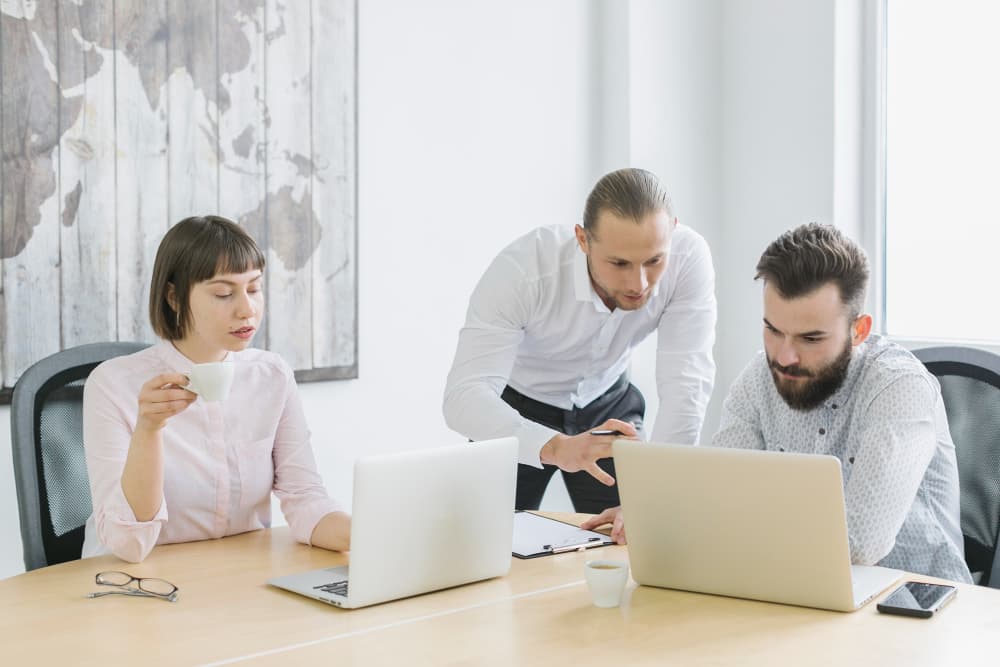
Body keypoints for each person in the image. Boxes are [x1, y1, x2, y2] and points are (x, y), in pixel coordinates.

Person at [585, 223, 972, 583]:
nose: (784, 356)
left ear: (859, 331)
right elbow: (722, 493)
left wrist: (726, 522)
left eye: (811, 338)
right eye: (773, 330)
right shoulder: (759, 378)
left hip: (915, 609)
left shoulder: (899, 388)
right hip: (799, 598)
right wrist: (662, 518)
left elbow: (859, 544)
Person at [443, 168, 717, 513]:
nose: (639, 283)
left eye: (654, 261)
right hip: (517, 408)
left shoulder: (689, 259)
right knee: (484, 548)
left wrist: (657, 496)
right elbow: (463, 398)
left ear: (672, 232)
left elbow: (686, 385)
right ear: (583, 239)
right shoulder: (524, 271)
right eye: (619, 263)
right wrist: (556, 447)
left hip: (610, 406)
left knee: (641, 536)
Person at [82, 215, 350, 563]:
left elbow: (305, 500)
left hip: (238, 580)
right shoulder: (113, 385)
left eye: (254, 288)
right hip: (133, 584)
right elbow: (129, 544)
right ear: (174, 297)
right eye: (224, 293)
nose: (247, 310)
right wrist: (149, 428)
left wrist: (373, 535)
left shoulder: (271, 376)